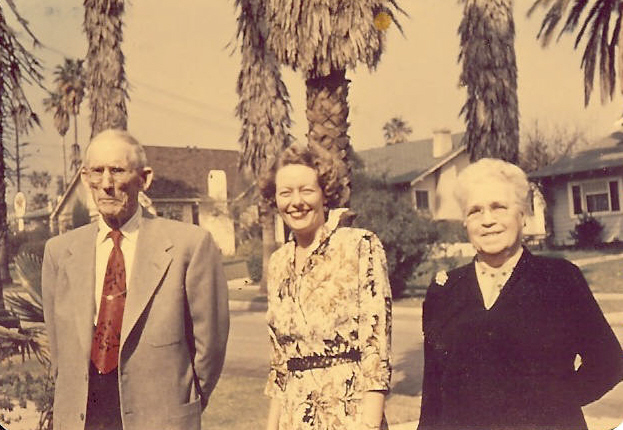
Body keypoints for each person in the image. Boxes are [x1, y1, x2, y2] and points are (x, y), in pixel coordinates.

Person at [42, 129, 230, 430]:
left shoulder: (190, 246)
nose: (107, 184)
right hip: (82, 418)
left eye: (117, 170)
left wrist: (183, 402)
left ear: (144, 178)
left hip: (160, 417)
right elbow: (59, 347)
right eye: (97, 172)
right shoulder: (59, 252)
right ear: (85, 177)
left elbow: (211, 347)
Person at [418, 158, 623, 430]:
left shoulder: (558, 278)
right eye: (475, 211)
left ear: (522, 216)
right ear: (465, 223)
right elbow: (433, 389)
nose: (487, 220)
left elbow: (608, 362)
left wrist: (553, 405)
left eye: (498, 207)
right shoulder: (444, 290)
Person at [259, 144, 392, 430]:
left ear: (324, 193)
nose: (296, 202)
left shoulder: (359, 245)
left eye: (307, 190)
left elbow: (376, 348)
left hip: (349, 415)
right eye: (285, 193)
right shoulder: (279, 263)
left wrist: (369, 423)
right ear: (275, 200)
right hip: (293, 418)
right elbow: (280, 363)